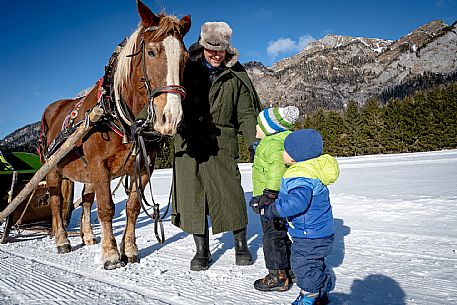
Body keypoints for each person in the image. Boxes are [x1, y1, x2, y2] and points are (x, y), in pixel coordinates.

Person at [172, 21, 263, 271]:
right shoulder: (184, 70)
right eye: (210, 49)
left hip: (223, 141)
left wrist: (254, 142)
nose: (215, 54)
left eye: (220, 50)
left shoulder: (235, 75)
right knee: (192, 196)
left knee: (230, 194)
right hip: (188, 141)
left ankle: (241, 245)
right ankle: (202, 251)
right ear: (202, 47)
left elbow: (245, 113)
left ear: (227, 49)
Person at [259, 129, 339, 305]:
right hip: (320, 231)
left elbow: (297, 203)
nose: (282, 153)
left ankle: (309, 296)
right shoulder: (312, 170)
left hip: (308, 234)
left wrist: (272, 210)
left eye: (285, 150)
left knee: (303, 265)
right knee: (316, 263)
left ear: (295, 156)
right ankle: (322, 293)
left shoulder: (300, 176)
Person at [249, 106, 299, 292]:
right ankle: (291, 269)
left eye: (259, 124)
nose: (255, 126)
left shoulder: (272, 144)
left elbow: (277, 169)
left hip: (271, 199)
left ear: (270, 128)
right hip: (279, 198)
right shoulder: (279, 141)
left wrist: (268, 194)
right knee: (280, 234)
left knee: (272, 236)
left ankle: (277, 275)